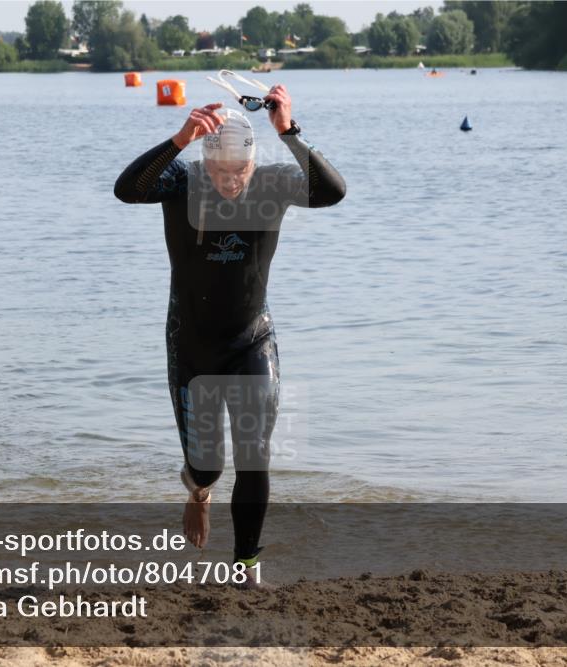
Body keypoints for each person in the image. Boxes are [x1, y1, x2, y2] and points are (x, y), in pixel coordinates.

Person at [113, 86, 345, 585]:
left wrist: (289, 131)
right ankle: (198, 492)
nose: (229, 184)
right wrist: (178, 139)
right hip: (192, 343)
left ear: (252, 164)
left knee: (254, 454)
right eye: (219, 174)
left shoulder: (271, 183)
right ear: (205, 164)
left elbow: (332, 191)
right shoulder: (182, 180)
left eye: (238, 173)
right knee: (207, 467)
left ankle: (244, 565)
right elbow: (128, 189)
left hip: (250, 339)